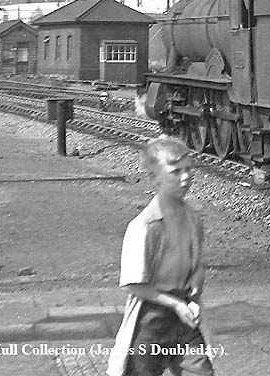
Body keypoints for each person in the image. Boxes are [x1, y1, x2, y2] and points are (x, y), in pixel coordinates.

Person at [107, 136, 214, 376]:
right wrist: (175, 305)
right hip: (151, 317)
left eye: (188, 169)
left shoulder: (193, 219)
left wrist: (196, 282)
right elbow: (135, 285)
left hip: (184, 315)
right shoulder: (144, 226)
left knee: (201, 372)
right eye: (176, 172)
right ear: (155, 178)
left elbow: (197, 265)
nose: (186, 177)